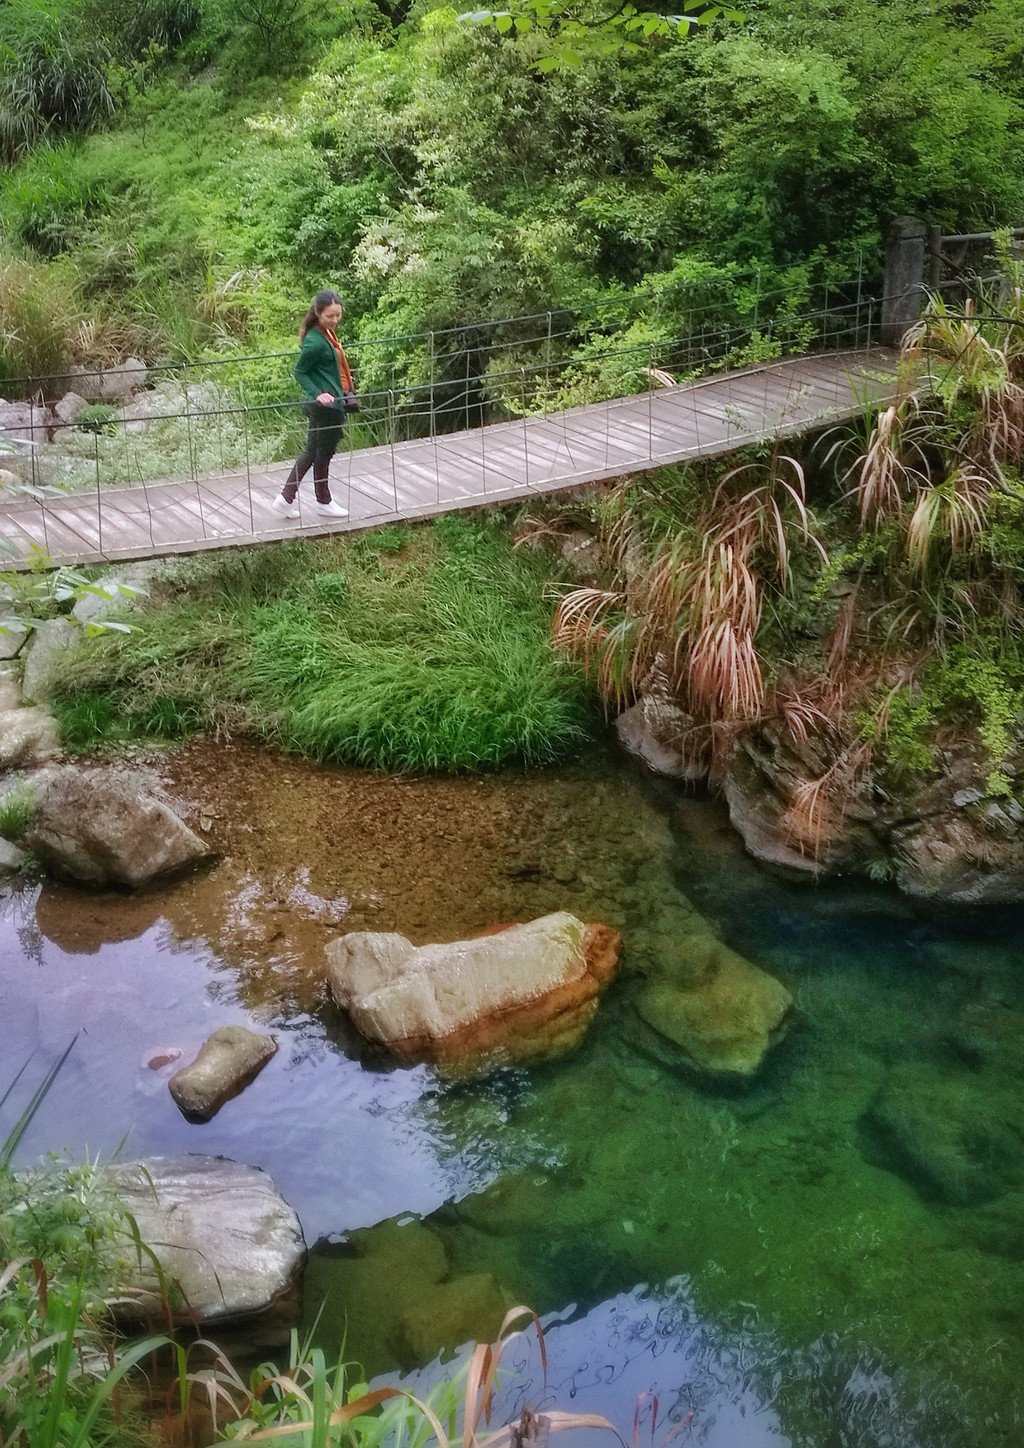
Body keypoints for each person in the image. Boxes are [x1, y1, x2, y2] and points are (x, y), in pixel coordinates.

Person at [272, 289, 353, 519]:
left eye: (338, 315)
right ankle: (321, 501)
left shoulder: (325, 334)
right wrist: (318, 393)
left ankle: (287, 499)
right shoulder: (316, 342)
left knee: (315, 451)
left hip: (328, 403)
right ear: (318, 313)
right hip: (325, 406)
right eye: (330, 316)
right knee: (321, 452)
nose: (335, 320)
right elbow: (300, 371)